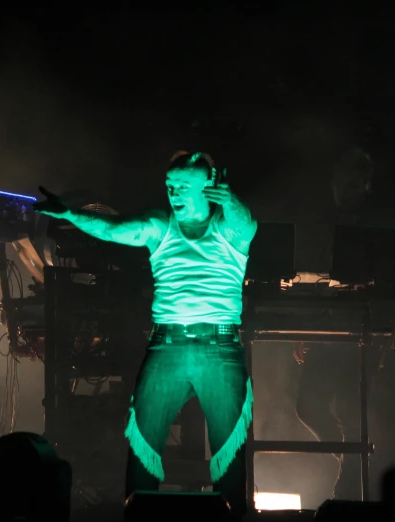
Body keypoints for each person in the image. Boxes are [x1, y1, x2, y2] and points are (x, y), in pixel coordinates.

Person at [34, 151, 257, 517]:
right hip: (166, 347)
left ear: (210, 185)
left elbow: (246, 222)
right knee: (142, 448)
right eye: (171, 186)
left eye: (184, 186)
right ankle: (136, 516)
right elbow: (114, 228)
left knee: (229, 455)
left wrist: (230, 199)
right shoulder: (160, 226)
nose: (175, 193)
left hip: (220, 348)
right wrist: (71, 213)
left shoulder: (229, 228)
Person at [293, 147, 395, 500]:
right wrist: (307, 329)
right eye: (341, 183)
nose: (345, 190)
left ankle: (349, 483)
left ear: (367, 186)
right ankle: (350, 464)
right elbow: (318, 278)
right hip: (329, 329)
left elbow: (393, 281)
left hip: (362, 330)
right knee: (308, 404)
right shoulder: (326, 225)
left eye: (354, 184)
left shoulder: (381, 226)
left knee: (352, 410)